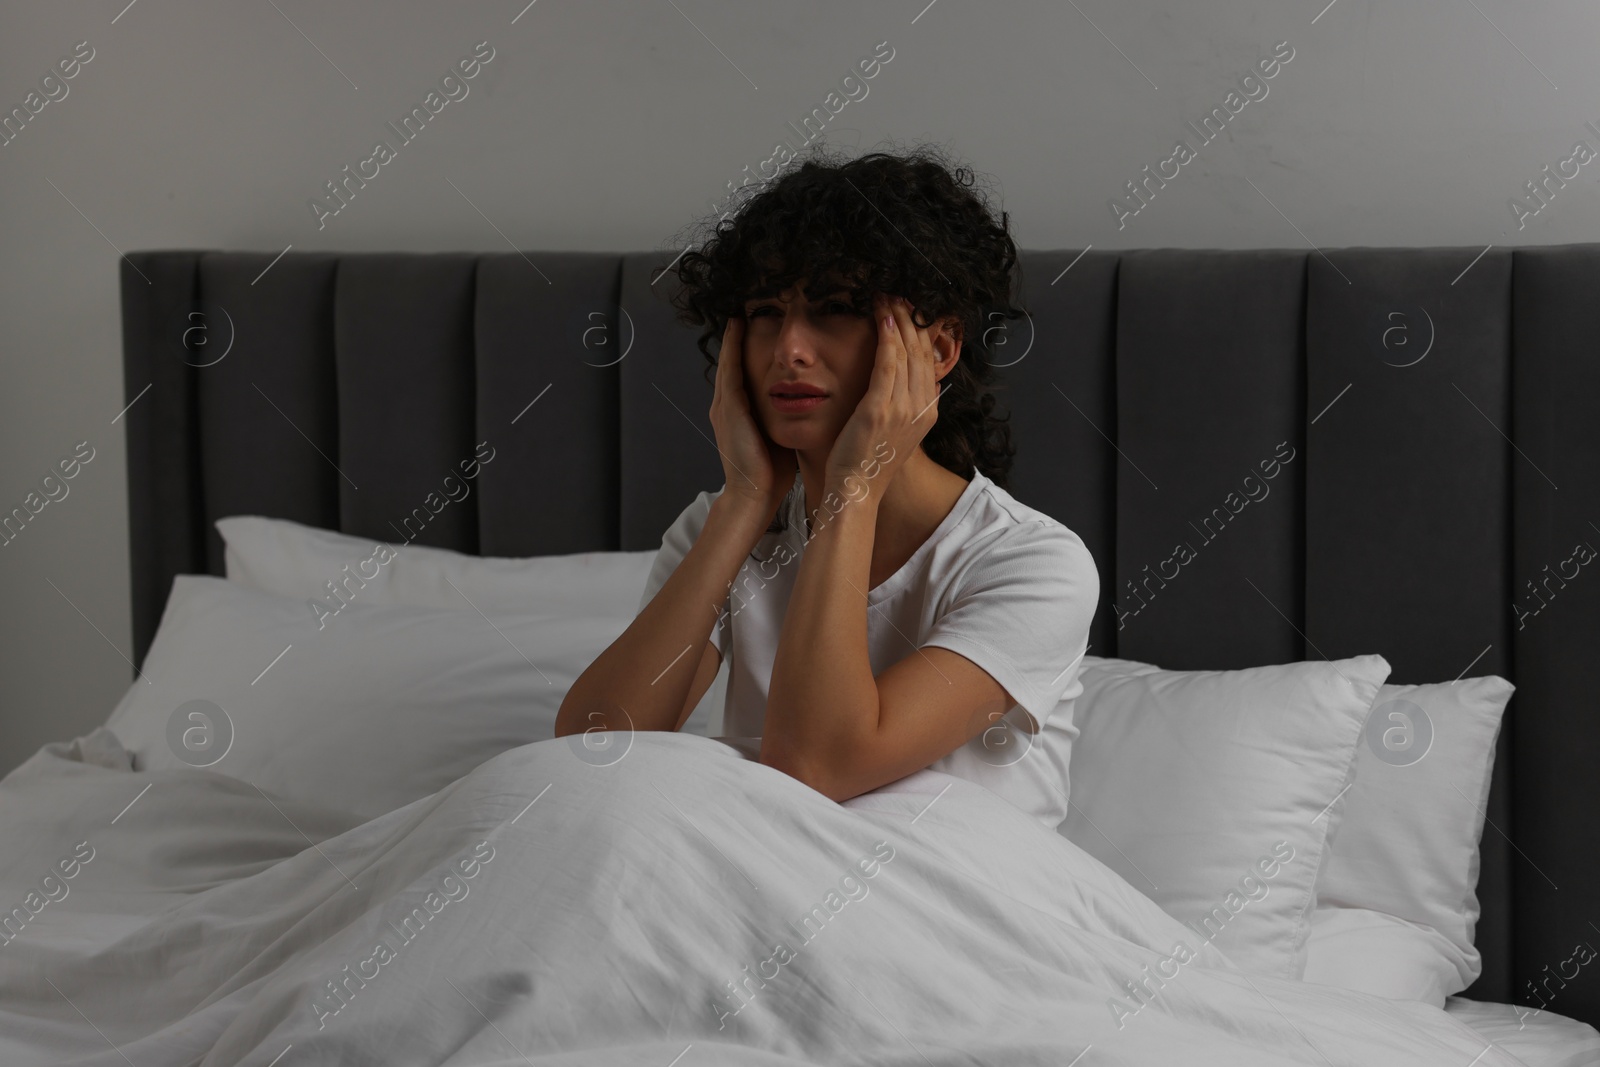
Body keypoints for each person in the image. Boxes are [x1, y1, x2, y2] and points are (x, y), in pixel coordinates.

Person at [554, 145, 1098, 827]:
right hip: (751, 887)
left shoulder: (1032, 564)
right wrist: (746, 501)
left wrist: (854, 490)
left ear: (939, 348)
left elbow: (815, 765)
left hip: (944, 909)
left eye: (834, 308)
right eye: (764, 313)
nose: (789, 349)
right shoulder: (720, 529)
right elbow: (591, 747)